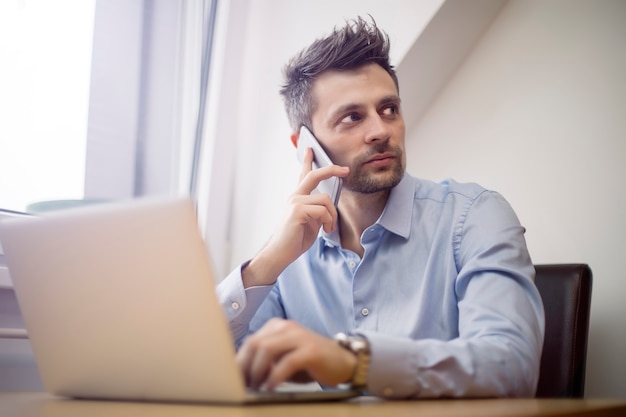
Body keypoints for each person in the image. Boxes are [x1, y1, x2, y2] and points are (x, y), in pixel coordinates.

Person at [217, 17, 544, 398]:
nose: (381, 131)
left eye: (389, 109)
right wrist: (265, 264)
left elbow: (511, 367)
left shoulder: (475, 216)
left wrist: (354, 361)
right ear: (305, 144)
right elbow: (211, 369)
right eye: (353, 117)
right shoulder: (290, 255)